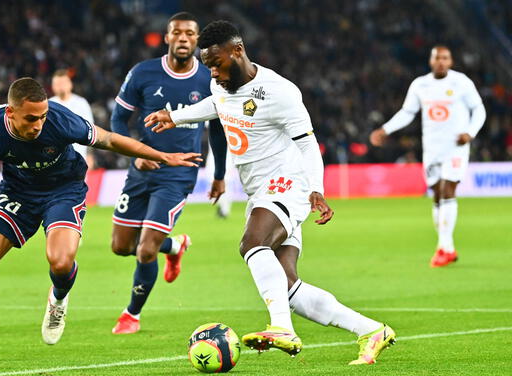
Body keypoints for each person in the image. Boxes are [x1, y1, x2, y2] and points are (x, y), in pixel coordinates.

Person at [145, 20, 395, 365]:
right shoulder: (222, 86)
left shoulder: (280, 92)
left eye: (217, 64)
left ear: (238, 51)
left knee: (252, 243)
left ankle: (281, 328)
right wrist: (176, 117)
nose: (214, 73)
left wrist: (317, 190)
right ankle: (372, 330)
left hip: (288, 183)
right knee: (289, 285)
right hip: (259, 190)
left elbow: (308, 146)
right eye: (209, 67)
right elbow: (215, 106)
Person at [0, 77, 201, 362]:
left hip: (64, 190)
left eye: (43, 116)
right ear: (10, 113)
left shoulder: (60, 120)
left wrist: (161, 156)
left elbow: (109, 139)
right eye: (30, 118)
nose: (38, 125)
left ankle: (58, 299)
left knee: (60, 262)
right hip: (18, 193)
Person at [109, 11, 227, 335]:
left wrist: (219, 174)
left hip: (179, 173)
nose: (184, 38)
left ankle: (131, 314)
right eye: (177, 33)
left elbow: (217, 130)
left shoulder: (208, 80)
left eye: (190, 33)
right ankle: (174, 246)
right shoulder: (143, 73)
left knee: (145, 249)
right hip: (142, 169)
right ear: (167, 38)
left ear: (197, 39)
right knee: (120, 245)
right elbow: (118, 119)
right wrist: (133, 155)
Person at [370, 45, 486, 268]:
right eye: (437, 58)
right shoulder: (420, 85)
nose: (441, 61)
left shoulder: (461, 82)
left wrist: (470, 133)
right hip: (432, 148)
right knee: (436, 195)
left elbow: (479, 109)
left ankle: (444, 247)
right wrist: (385, 129)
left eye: (445, 58)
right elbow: (407, 113)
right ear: (431, 61)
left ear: (450, 61)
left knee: (447, 189)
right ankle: (447, 248)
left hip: (455, 147)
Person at [50, 69, 96, 169]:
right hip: (55, 158)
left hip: (78, 155)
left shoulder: (81, 103)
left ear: (70, 84)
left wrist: (90, 154)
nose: (60, 86)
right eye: (57, 84)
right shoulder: (49, 105)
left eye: (63, 83)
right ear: (52, 86)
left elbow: (91, 129)